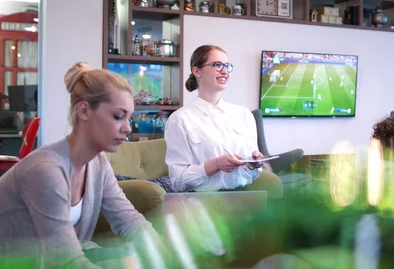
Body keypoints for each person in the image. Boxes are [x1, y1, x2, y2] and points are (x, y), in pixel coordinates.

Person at [0, 62, 160, 267]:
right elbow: (66, 262)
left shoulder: (99, 164)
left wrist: (162, 254)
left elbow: (129, 222)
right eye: (118, 116)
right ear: (84, 110)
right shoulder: (46, 171)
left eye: (130, 118)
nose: (128, 128)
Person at [164, 45, 282, 197]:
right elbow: (178, 181)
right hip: (202, 203)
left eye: (227, 66)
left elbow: (254, 174)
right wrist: (214, 165)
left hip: (246, 198)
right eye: (217, 65)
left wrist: (254, 165)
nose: (225, 71)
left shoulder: (244, 115)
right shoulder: (179, 120)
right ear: (197, 71)